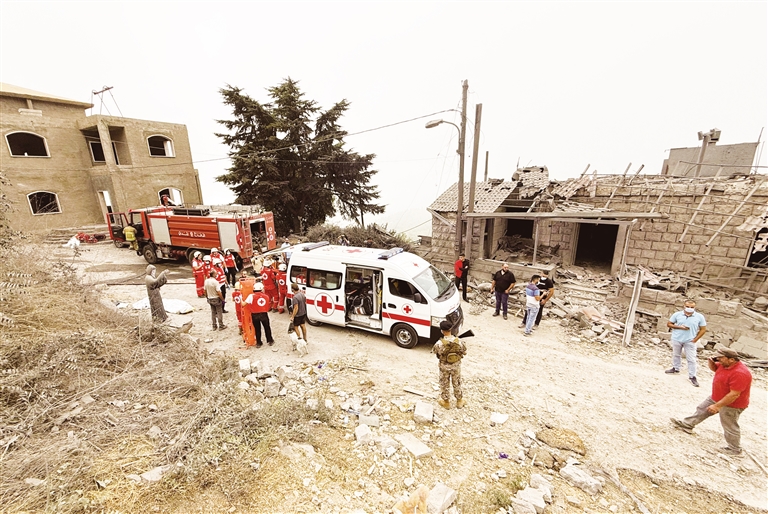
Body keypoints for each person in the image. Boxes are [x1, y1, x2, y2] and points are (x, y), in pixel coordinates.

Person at [671, 348, 753, 456]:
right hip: (717, 396)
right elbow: (716, 369)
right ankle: (687, 425)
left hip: (732, 404)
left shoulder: (740, 373)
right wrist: (711, 363)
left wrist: (717, 406)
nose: (718, 359)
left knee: (729, 425)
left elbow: (734, 394)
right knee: (702, 409)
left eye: (721, 358)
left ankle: (735, 449)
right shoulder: (725, 365)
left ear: (731, 359)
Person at [666, 299, 707, 387]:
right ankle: (676, 368)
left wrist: (696, 339)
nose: (689, 308)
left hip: (690, 340)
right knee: (676, 354)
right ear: (684, 306)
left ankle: (692, 376)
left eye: (692, 307)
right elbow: (669, 324)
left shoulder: (699, 317)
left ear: (695, 307)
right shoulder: (677, 314)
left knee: (691, 359)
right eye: (687, 306)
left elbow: (703, 329)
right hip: (677, 338)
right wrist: (679, 327)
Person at [432, 319, 467, 410]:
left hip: (444, 367)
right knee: (457, 382)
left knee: (444, 383)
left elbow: (436, 352)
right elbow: (464, 352)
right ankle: (459, 401)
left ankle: (446, 402)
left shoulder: (439, 343)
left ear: (441, 331)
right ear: (451, 329)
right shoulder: (459, 341)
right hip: (456, 366)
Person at [245, 282, 275, 348]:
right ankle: (270, 340)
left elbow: (243, 304)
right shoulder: (266, 296)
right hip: (264, 314)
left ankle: (259, 342)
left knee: (257, 329)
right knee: (267, 327)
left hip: (254, 315)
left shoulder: (251, 296)